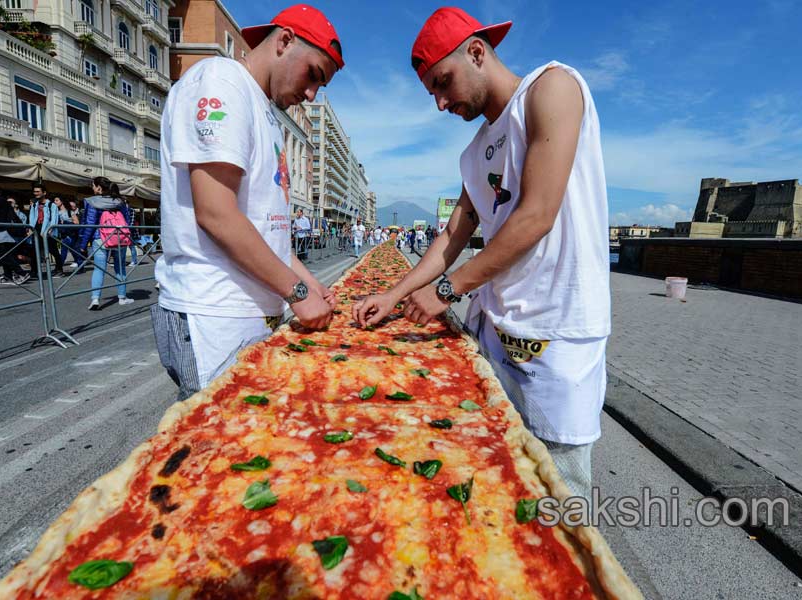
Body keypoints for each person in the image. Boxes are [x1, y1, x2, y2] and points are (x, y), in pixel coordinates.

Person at [354, 7, 610, 503]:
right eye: (431, 91)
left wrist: (445, 290)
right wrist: (394, 294)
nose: (440, 102)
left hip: (554, 333)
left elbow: (536, 215)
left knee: (560, 493)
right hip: (493, 328)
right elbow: (453, 234)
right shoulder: (474, 153)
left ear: (476, 51)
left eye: (443, 83)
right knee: (492, 475)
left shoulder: (551, 88)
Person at [151, 4, 341, 401]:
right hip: (215, 315)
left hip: (252, 314)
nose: (310, 94)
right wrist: (299, 295)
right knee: (219, 450)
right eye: (313, 75)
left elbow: (267, 232)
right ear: (285, 41)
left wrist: (312, 287)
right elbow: (216, 213)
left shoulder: (264, 108)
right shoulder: (221, 81)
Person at [79, 177, 135, 309]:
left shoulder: (92, 202)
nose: (92, 188)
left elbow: (90, 224)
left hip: (100, 239)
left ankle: (95, 299)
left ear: (99, 187)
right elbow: (127, 221)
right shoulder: (120, 202)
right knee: (120, 268)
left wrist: (83, 244)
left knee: (99, 269)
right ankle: (122, 297)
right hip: (119, 238)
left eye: (93, 185)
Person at [0, 184, 29, 285]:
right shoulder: (4, 200)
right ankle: (8, 276)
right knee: (7, 254)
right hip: (9, 231)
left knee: (3, 255)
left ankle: (22, 273)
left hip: (1, 231)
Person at [27, 183, 64, 277]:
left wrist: (49, 230)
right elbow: (31, 217)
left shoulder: (52, 205)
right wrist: (30, 228)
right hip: (36, 229)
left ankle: (59, 269)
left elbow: (54, 219)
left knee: (53, 250)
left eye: (38, 191)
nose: (36, 193)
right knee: (34, 251)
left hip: (47, 230)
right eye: (34, 191)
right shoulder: (34, 204)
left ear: (44, 192)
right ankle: (34, 270)